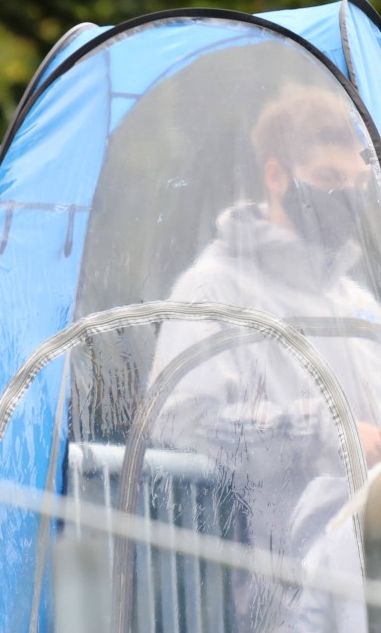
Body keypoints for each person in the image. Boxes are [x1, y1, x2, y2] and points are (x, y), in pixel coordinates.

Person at [149, 84, 381, 630]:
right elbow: (178, 424)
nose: (344, 198)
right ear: (277, 176)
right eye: (329, 180)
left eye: (357, 184)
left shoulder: (358, 303)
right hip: (273, 592)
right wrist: (332, 429)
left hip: (365, 575)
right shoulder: (214, 288)